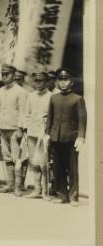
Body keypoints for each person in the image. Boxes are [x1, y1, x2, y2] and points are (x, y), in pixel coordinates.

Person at [45, 68, 86, 206]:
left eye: (66, 80)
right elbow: (50, 118)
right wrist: (47, 134)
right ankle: (62, 194)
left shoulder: (77, 99)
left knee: (72, 168)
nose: (63, 83)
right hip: (56, 137)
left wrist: (81, 137)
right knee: (58, 167)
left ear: (71, 82)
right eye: (60, 80)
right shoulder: (53, 98)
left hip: (71, 138)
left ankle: (73, 196)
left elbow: (82, 120)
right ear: (57, 82)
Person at [0, 64, 29, 195]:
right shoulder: (0, 91)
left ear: (14, 75)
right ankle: (10, 184)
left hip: (15, 129)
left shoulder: (21, 92)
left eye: (7, 74)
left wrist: (20, 129)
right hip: (3, 128)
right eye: (3, 74)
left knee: (17, 158)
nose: (4, 76)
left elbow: (23, 112)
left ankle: (18, 187)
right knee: (7, 157)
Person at [21, 71, 52, 200]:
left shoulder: (51, 96)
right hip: (32, 133)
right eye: (36, 81)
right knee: (34, 162)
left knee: (44, 163)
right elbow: (26, 114)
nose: (38, 83)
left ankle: (45, 191)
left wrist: (48, 132)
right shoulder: (31, 96)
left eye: (41, 81)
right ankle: (36, 189)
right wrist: (25, 129)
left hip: (44, 134)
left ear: (47, 82)